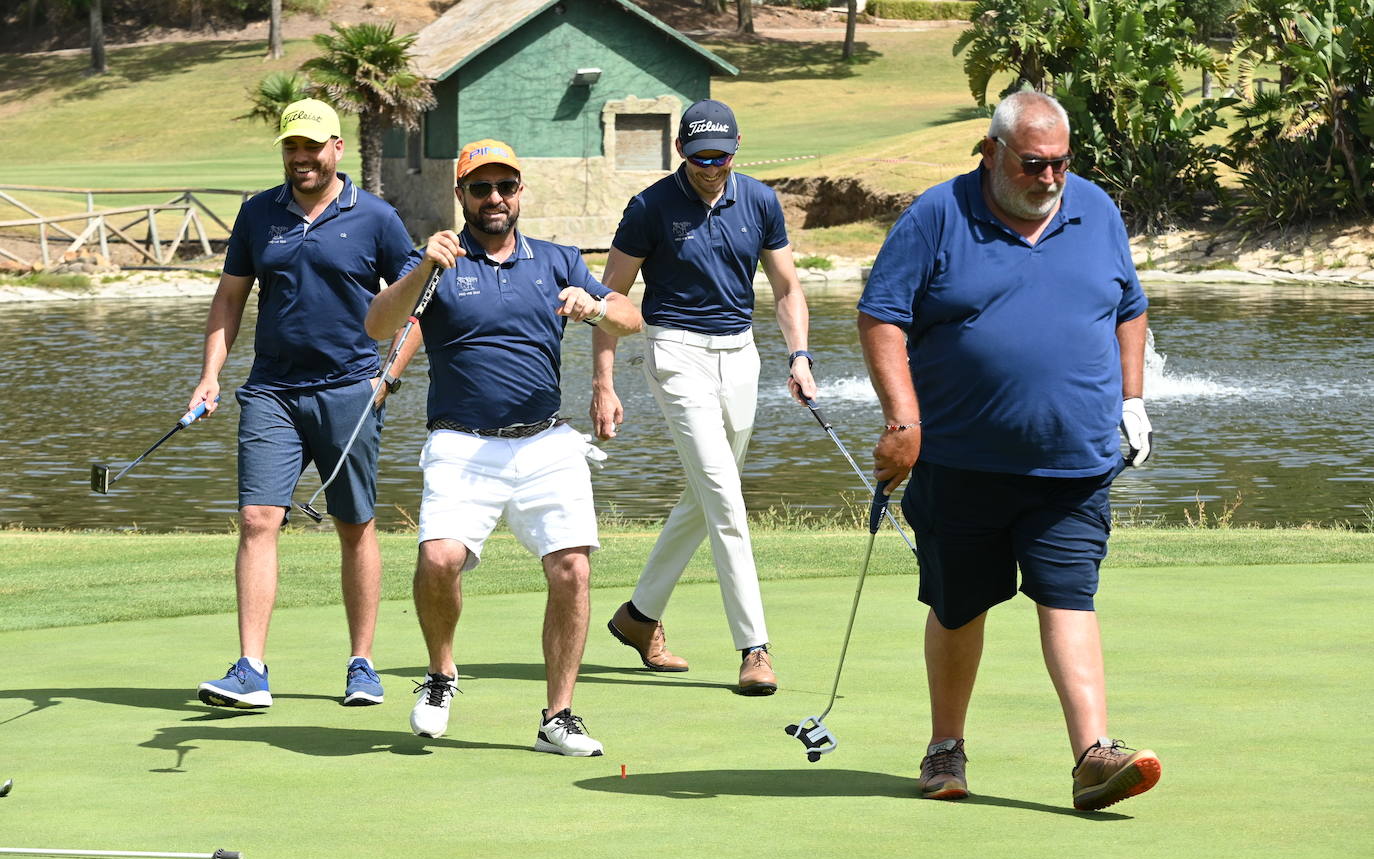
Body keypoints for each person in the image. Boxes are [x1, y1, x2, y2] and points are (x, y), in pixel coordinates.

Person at [857, 90, 1161, 811]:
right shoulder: (937, 215)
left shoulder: (1096, 210)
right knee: (960, 605)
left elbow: (1130, 309)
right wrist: (903, 422)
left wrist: (1133, 399)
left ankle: (1092, 757)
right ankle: (945, 749)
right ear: (991, 152)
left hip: (1074, 461)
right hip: (961, 462)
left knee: (1069, 595)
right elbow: (881, 318)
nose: (1049, 179)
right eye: (1033, 163)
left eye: (1059, 164)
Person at [367, 139, 641, 757]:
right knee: (439, 560)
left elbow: (632, 318)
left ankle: (559, 717)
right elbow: (378, 326)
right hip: (461, 444)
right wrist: (419, 269)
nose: (495, 199)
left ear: (520, 193)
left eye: (506, 187)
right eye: (481, 188)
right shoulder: (438, 263)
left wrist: (595, 307)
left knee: (571, 568)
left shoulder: (557, 260)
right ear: (461, 195)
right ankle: (441, 676)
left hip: (546, 443)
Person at [190, 99, 418, 710]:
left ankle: (362, 664)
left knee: (354, 525)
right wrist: (211, 375)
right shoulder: (258, 213)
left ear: (336, 148)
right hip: (271, 391)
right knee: (258, 519)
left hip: (350, 387)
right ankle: (251, 669)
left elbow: (419, 300)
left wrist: (387, 377)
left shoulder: (375, 216)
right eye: (292, 147)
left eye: (312, 147)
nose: (302, 158)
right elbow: (230, 299)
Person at [590, 99, 817, 696]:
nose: (709, 167)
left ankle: (638, 618)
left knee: (707, 491)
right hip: (674, 353)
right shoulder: (650, 207)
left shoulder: (761, 201)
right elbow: (608, 299)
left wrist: (799, 356)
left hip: (741, 354)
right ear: (680, 152)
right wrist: (604, 383)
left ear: (737, 147)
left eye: (720, 157)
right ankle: (754, 646)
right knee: (724, 496)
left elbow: (788, 288)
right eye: (698, 158)